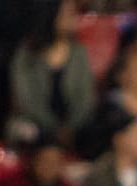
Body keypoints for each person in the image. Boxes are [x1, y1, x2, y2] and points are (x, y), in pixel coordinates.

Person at [8, 0, 97, 149]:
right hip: (37, 125)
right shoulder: (27, 54)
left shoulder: (79, 53)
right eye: (68, 14)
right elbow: (26, 100)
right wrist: (53, 129)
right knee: (25, 132)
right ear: (51, 16)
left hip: (73, 128)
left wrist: (71, 127)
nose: (74, 18)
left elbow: (86, 97)